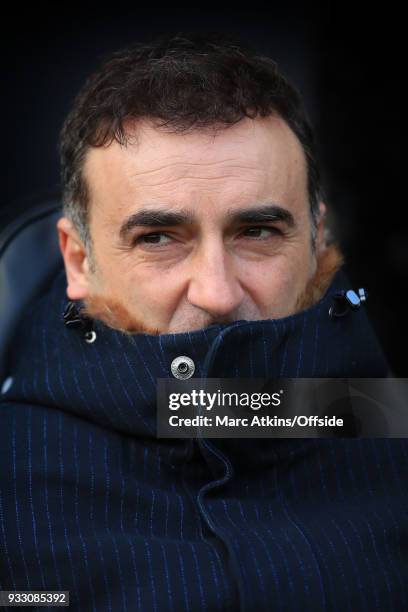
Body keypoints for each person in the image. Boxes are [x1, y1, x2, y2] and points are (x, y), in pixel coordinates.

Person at [0, 31, 406, 612]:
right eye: (159, 237)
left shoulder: (389, 430)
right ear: (79, 259)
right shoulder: (14, 484)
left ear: (318, 241)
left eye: (257, 231)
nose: (216, 292)